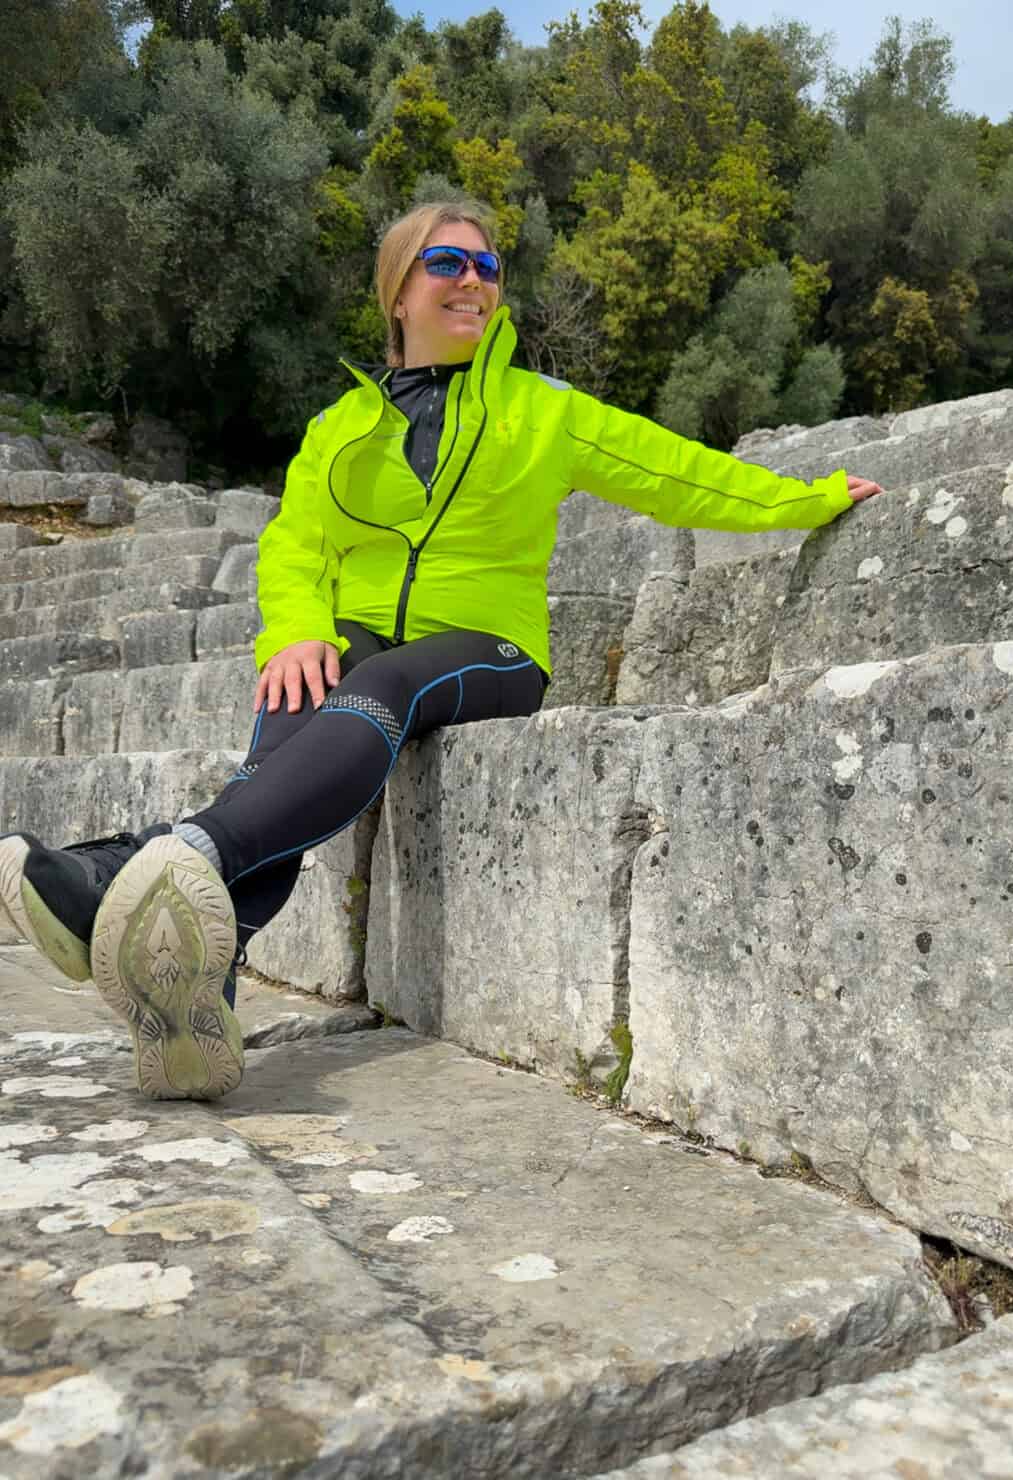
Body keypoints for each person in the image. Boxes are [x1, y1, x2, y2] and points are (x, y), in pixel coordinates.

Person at [0, 200, 883, 1103]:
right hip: (363, 635)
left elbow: (678, 473)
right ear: (399, 292)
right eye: (448, 264)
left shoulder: (542, 411)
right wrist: (296, 630)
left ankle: (150, 861)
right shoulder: (338, 427)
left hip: (490, 650)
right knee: (307, 684)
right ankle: (204, 984)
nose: (474, 281)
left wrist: (804, 499)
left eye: (489, 269)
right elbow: (295, 546)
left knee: (380, 677)